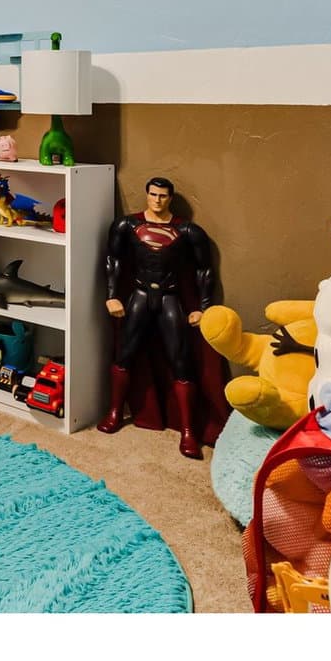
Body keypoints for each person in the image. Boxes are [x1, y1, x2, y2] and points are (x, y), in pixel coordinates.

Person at [98, 176, 215, 458]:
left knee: (181, 361)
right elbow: (113, 260)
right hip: (138, 295)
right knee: (124, 354)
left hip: (169, 298)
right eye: (153, 194)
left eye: (162, 196)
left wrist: (203, 306)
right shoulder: (127, 225)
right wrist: (112, 295)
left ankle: (188, 430)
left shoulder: (187, 230)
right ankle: (115, 412)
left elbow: (205, 270)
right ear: (147, 195)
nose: (157, 200)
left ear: (170, 198)